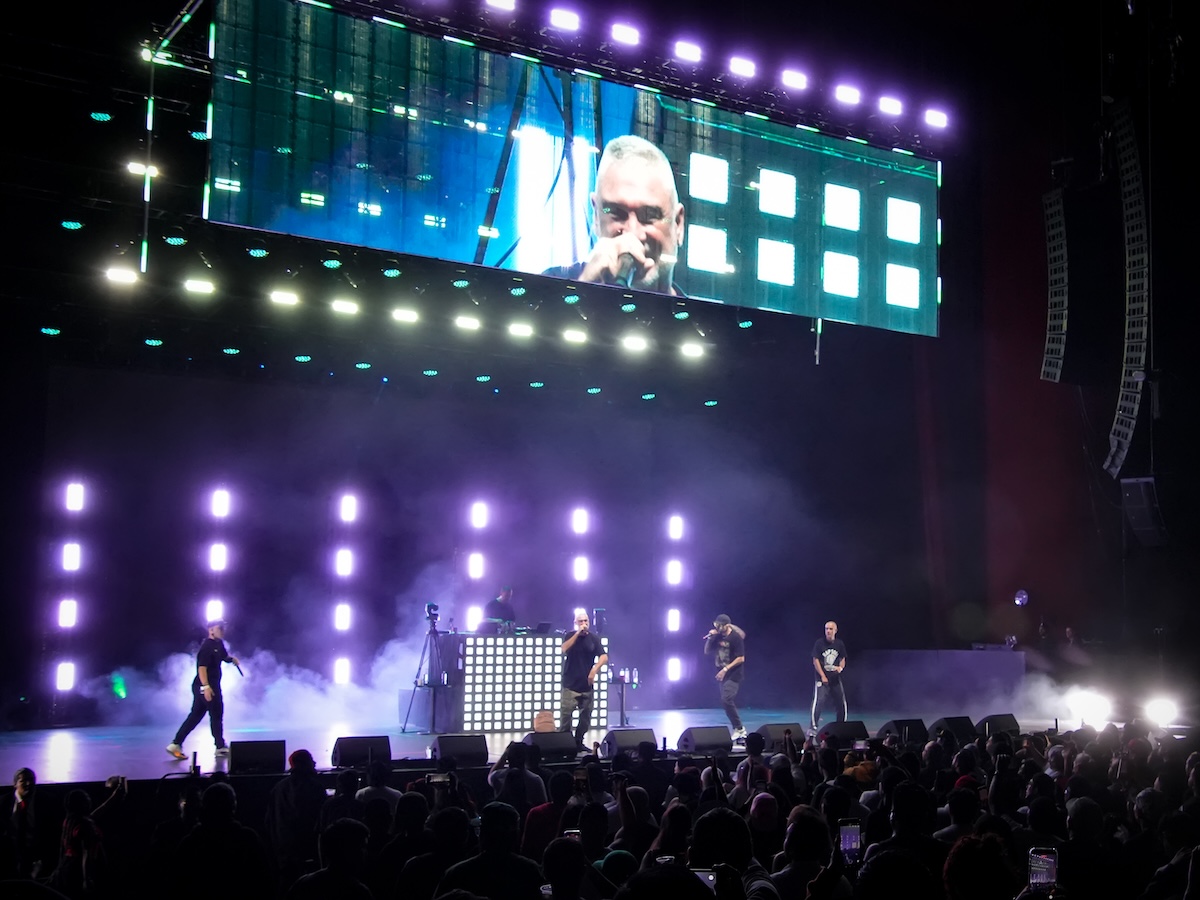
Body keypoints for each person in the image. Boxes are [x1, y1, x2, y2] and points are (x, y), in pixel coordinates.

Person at [543, 134, 687, 296]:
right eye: (615, 213)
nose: (632, 234)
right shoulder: (549, 289)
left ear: (678, 224)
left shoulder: (700, 313)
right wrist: (585, 290)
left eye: (649, 215)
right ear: (596, 216)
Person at [168, 619, 240, 759]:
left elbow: (224, 657)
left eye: (223, 628)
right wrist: (206, 687)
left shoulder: (219, 644)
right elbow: (202, 668)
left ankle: (176, 743)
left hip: (210, 685)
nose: (222, 631)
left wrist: (231, 659)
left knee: (195, 716)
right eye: (220, 628)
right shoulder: (207, 646)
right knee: (216, 713)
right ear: (211, 630)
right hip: (205, 685)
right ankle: (220, 746)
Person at [559, 610, 608, 753]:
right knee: (566, 716)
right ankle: (565, 744)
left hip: (586, 686)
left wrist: (595, 670)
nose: (584, 624)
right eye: (581, 621)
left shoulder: (593, 639)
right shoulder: (570, 636)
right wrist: (577, 633)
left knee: (585, 717)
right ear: (575, 623)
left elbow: (604, 656)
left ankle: (578, 741)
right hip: (570, 685)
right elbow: (564, 649)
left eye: (586, 621)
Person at [705, 614, 746, 741]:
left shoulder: (735, 637)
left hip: (733, 674)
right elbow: (707, 651)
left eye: (719, 625)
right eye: (716, 624)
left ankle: (740, 729)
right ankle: (738, 729)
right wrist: (710, 638)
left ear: (726, 625)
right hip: (722, 674)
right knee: (725, 702)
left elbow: (741, 658)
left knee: (726, 699)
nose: (717, 627)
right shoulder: (717, 636)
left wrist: (725, 669)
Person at [810, 620, 847, 734]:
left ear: (835, 630)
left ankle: (841, 725)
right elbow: (815, 660)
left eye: (831, 629)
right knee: (819, 701)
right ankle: (813, 727)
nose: (828, 631)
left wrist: (840, 668)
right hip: (822, 678)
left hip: (835, 678)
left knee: (841, 702)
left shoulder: (839, 644)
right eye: (826, 629)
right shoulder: (819, 643)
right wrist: (822, 676)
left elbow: (842, 658)